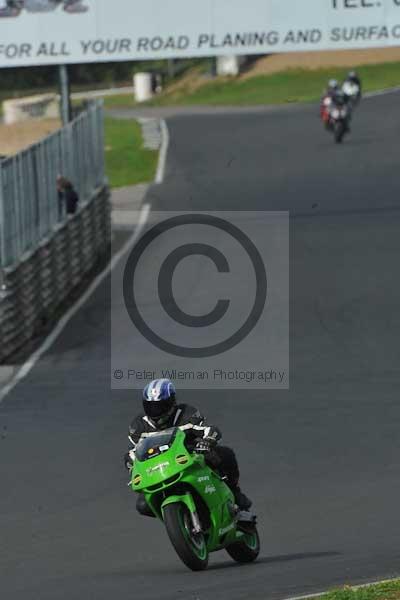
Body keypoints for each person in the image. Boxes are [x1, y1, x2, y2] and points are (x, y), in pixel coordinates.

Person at [124, 379, 252, 517]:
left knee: (225, 453)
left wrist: (207, 441)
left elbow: (209, 430)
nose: (156, 411)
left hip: (189, 460)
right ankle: (175, 518)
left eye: (161, 406)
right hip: (158, 471)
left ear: (172, 402)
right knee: (143, 505)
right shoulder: (138, 426)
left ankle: (235, 493)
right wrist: (132, 468)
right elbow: (132, 453)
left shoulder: (187, 413)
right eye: (151, 406)